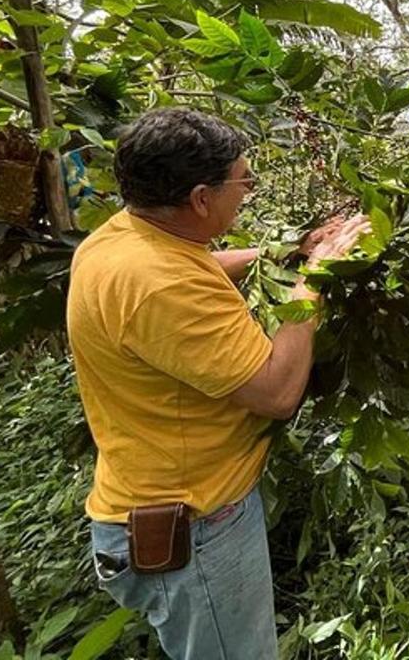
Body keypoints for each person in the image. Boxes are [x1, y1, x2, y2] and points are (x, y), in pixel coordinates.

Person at [66, 107, 368, 659]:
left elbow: (195, 262)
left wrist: (286, 250)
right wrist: (316, 275)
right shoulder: (158, 286)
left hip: (152, 508)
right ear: (202, 199)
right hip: (196, 528)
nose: (247, 191)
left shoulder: (122, 238)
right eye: (241, 182)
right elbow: (277, 392)